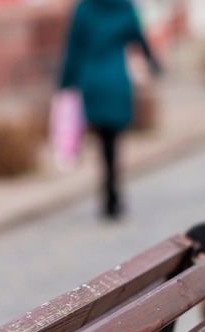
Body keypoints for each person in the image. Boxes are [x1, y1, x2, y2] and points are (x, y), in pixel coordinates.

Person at [59, 0, 161, 219]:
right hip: (116, 79)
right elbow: (139, 38)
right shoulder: (125, 7)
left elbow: (73, 46)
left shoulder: (85, 8)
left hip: (92, 80)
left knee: (102, 138)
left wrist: (65, 82)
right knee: (112, 139)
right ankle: (113, 190)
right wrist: (154, 63)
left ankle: (108, 188)